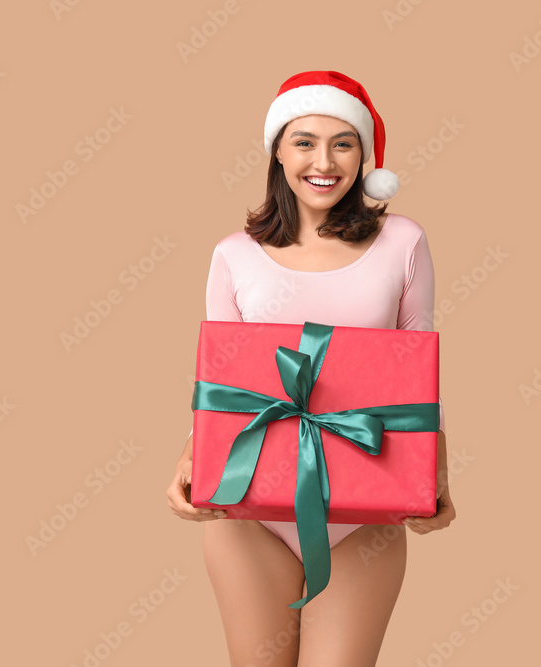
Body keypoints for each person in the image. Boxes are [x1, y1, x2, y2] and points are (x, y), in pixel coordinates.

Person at [167, 70, 456, 667]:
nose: (323, 161)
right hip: (247, 508)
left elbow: (420, 363)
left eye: (342, 142)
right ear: (277, 149)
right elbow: (220, 383)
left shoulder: (401, 241)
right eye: (304, 141)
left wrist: (438, 472)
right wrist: (189, 459)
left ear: (364, 156)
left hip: (364, 508)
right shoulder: (233, 255)